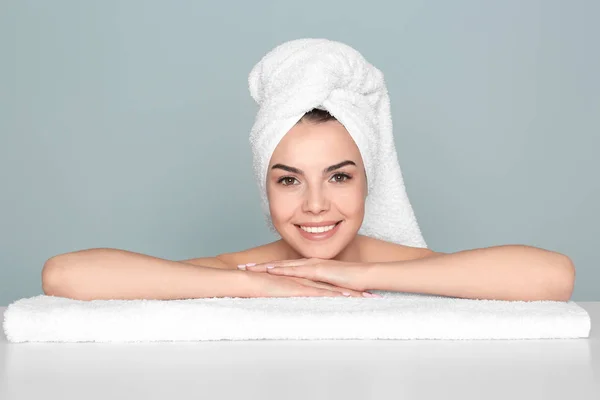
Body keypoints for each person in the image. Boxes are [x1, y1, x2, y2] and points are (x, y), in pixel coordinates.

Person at [40, 108, 444, 301]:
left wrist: (360, 275)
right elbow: (64, 274)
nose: (316, 205)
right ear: (265, 189)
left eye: (339, 176)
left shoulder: (407, 266)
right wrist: (257, 283)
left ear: (367, 181)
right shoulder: (246, 268)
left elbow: (511, 273)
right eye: (289, 180)